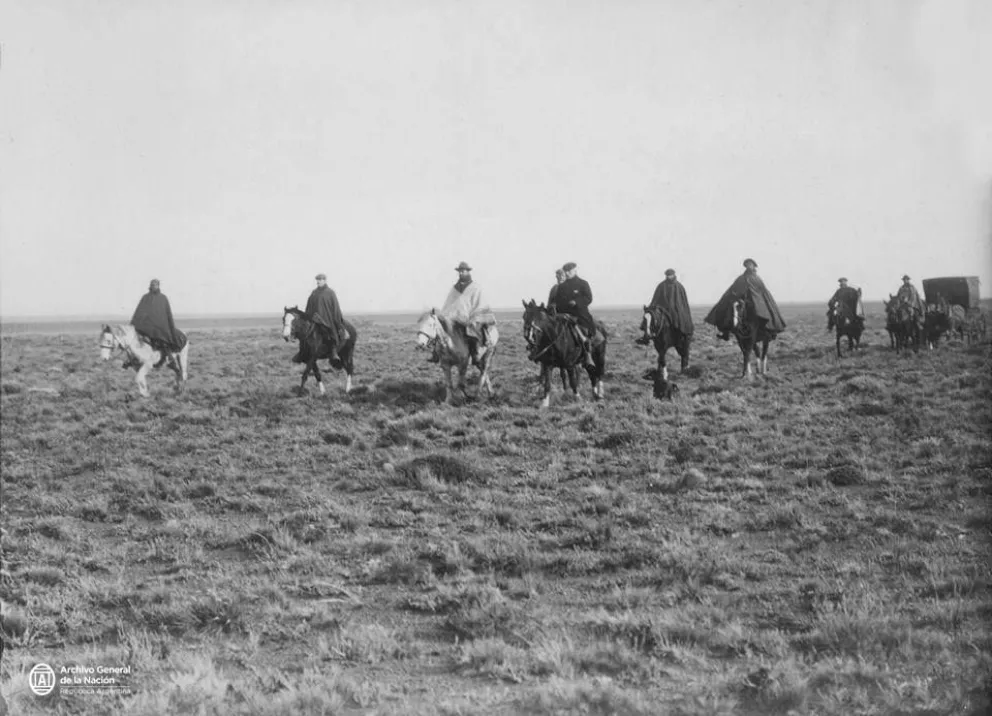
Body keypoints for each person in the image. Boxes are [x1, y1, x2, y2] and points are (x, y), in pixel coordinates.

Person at [704, 258, 786, 340]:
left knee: (764, 310)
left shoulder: (757, 279)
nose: (748, 266)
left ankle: (769, 331)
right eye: (747, 265)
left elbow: (762, 291)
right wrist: (735, 295)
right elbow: (734, 289)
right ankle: (726, 332)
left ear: (754, 266)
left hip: (756, 302)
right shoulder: (741, 278)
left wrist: (756, 299)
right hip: (742, 300)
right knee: (729, 308)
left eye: (750, 264)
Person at [434, 261, 497, 363]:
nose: (461, 273)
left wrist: (473, 317)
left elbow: (479, 303)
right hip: (455, 319)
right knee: (440, 332)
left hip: (470, 318)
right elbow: (448, 305)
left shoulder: (476, 288)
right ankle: (437, 354)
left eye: (463, 271)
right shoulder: (454, 289)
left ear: (468, 272)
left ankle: (475, 354)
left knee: (473, 332)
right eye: (459, 271)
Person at [551, 262, 599, 367]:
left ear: (575, 270)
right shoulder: (562, 287)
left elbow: (588, 298)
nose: (567, 273)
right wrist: (558, 311)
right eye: (566, 271)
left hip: (580, 315)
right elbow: (558, 301)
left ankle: (587, 354)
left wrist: (576, 302)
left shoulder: (583, 284)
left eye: (569, 271)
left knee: (584, 335)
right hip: (564, 316)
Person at [636, 268, 694, 345]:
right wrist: (651, 307)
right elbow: (656, 298)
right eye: (668, 275)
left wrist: (676, 308)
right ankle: (646, 337)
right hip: (663, 309)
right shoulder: (661, 286)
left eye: (670, 275)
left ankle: (684, 335)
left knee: (680, 318)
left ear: (674, 275)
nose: (669, 277)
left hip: (676, 309)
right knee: (650, 316)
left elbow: (682, 302)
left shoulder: (679, 286)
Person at [131, 279, 186, 359]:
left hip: (160, 326)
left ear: (158, 286)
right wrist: (135, 323)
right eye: (152, 285)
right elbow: (139, 311)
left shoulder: (163, 298)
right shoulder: (145, 297)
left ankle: (168, 356)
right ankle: (132, 358)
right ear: (150, 286)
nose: (153, 286)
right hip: (147, 325)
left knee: (162, 335)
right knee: (135, 338)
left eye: (155, 285)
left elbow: (167, 313)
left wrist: (168, 324)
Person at [303, 273, 346, 362]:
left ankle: (333, 352)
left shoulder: (330, 292)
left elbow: (335, 307)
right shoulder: (314, 292)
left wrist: (337, 320)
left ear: (324, 280)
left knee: (331, 333)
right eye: (317, 280)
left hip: (327, 319)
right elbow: (309, 306)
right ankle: (302, 353)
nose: (318, 281)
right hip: (315, 319)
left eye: (320, 280)